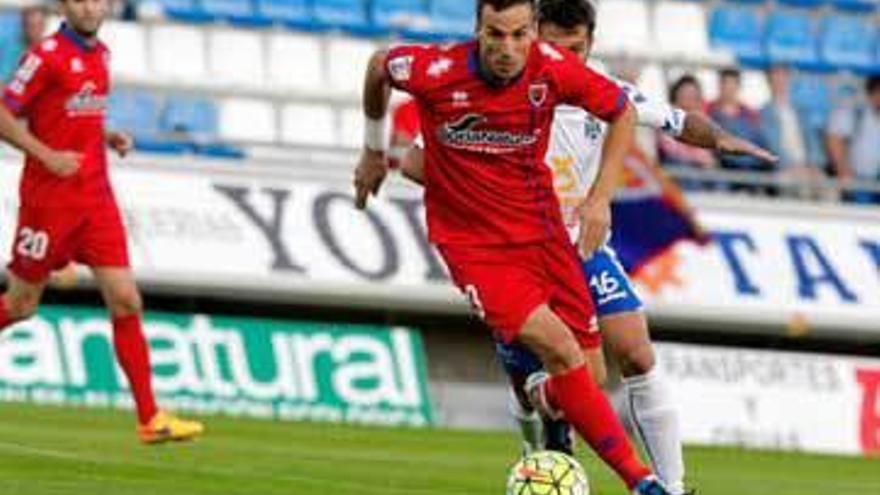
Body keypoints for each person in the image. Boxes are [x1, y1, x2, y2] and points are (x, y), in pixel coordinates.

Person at [397, 2, 775, 493]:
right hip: (515, 247)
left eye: (577, 49)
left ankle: (673, 486)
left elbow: (678, 122)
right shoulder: (503, 92)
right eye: (555, 46)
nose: (565, 58)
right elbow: (414, 161)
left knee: (635, 354)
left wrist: (724, 137)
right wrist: (481, 195)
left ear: (590, 46)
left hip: (585, 246)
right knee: (554, 378)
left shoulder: (603, 92)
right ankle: (542, 440)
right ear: (535, 39)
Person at [353, 1, 670, 493]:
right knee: (563, 352)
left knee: (586, 375)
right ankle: (643, 482)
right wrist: (374, 149)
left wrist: (600, 199)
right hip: (474, 247)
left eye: (519, 35)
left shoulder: (552, 67)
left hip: (543, 235)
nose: (508, 49)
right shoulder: (436, 69)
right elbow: (378, 66)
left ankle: (539, 397)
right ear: (477, 30)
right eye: (495, 35)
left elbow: (622, 111)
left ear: (532, 31)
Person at [0, 0, 203, 444]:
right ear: (62, 6)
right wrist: (47, 155)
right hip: (48, 202)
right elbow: (3, 113)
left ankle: (150, 418)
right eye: (78, 0)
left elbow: (76, 113)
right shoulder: (44, 56)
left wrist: (104, 134)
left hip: (96, 200)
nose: (89, 7)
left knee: (127, 300)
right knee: (20, 306)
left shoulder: (102, 53)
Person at [760, 65, 826, 198]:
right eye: (775, 78)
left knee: (829, 189)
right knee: (801, 189)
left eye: (783, 77)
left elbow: (812, 141)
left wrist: (813, 164)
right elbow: (773, 146)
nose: (780, 82)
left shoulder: (801, 109)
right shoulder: (765, 113)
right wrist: (793, 166)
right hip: (784, 169)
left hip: (807, 167)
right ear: (769, 81)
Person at [826, 75, 880, 204]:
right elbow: (834, 139)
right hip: (858, 182)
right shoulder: (855, 111)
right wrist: (844, 173)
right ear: (873, 93)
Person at [657, 75, 717, 189]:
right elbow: (669, 147)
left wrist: (706, 160)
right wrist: (696, 157)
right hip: (677, 164)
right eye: (685, 93)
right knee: (688, 173)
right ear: (676, 95)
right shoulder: (667, 116)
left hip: (699, 166)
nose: (689, 97)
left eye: (693, 94)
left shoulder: (703, 118)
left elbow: (708, 147)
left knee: (717, 177)